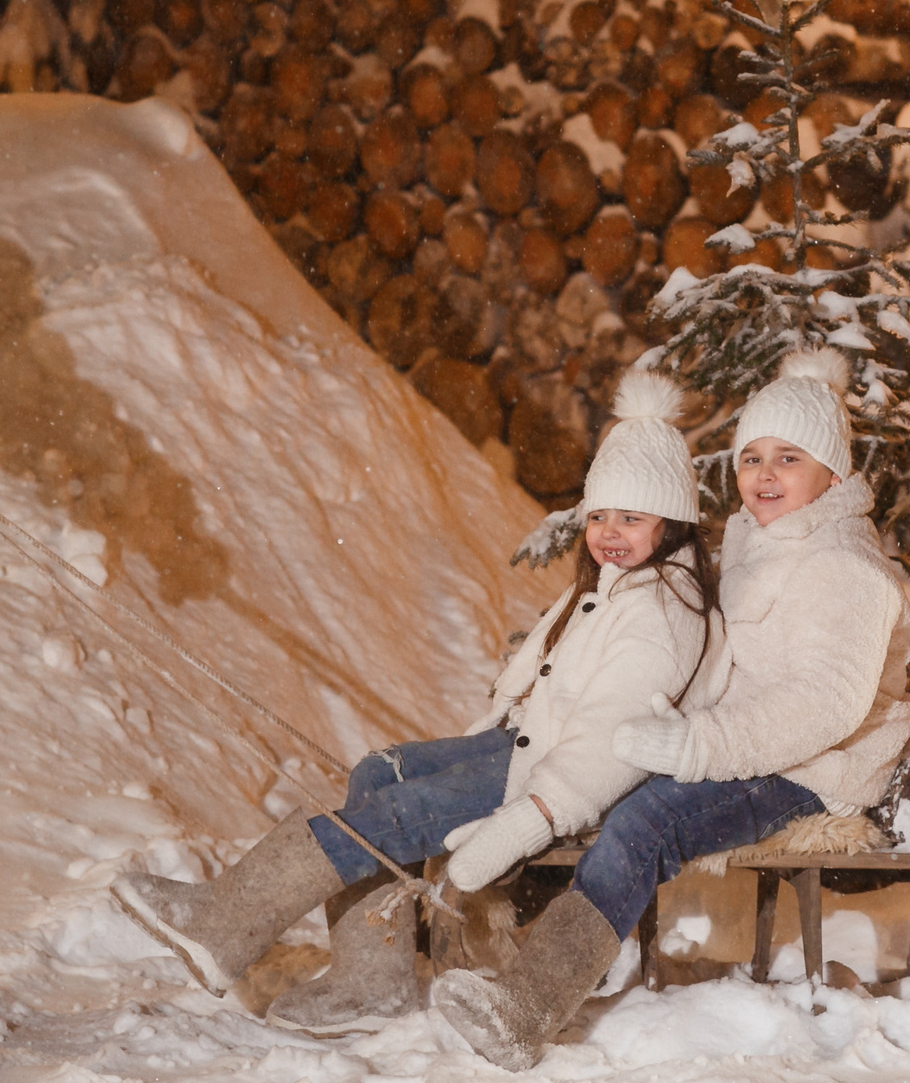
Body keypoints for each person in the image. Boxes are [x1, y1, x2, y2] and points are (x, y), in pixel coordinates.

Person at [112, 371, 721, 1036]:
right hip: (523, 740)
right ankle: (371, 980)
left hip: (559, 775)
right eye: (599, 515)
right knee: (381, 771)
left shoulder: (662, 609)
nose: (609, 531)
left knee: (402, 813)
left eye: (630, 518)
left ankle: (226, 918)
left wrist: (539, 811)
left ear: (671, 522)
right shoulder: (617, 584)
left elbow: (611, 733)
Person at [432, 349, 910, 1071]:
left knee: (647, 818)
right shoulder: (759, 543)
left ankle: (530, 1003)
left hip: (814, 766)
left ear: (835, 474)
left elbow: (823, 704)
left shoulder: (845, 565)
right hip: (742, 744)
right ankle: (552, 949)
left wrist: (697, 746)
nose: (763, 474)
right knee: (602, 783)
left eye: (789, 457)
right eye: (751, 456)